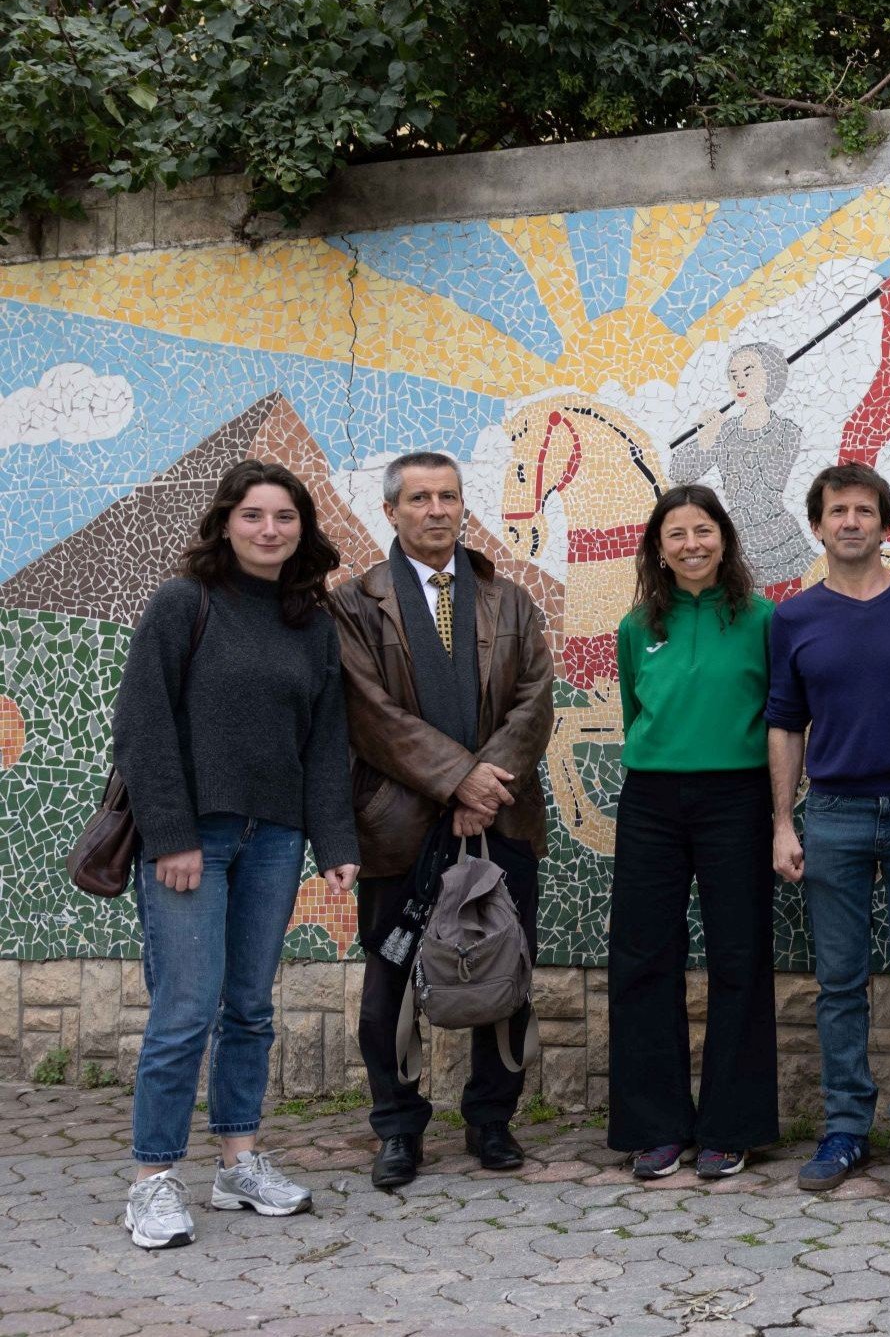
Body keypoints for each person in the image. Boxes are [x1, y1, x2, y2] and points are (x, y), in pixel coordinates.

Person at [110, 460, 361, 1249]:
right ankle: (152, 1180)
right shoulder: (184, 603)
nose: (268, 530)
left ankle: (237, 1163)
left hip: (275, 838)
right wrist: (172, 835)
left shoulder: (309, 621)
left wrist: (336, 844)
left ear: (302, 530)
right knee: (185, 1010)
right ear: (226, 523)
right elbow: (142, 724)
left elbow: (325, 743)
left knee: (250, 1008)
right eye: (253, 516)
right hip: (196, 838)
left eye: (284, 518)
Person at [334, 452, 556, 1192]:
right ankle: (398, 1127)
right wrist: (458, 777)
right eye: (420, 498)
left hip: (504, 816)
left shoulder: (509, 598)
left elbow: (535, 699)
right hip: (400, 823)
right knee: (390, 979)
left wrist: (484, 785)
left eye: (450, 497)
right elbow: (370, 714)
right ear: (391, 512)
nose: (437, 509)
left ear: (464, 507)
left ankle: (492, 1121)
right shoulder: (357, 603)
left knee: (505, 967)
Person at [766, 463, 890, 1193]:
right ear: (818, 525)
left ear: (885, 523)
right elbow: (784, 724)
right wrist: (785, 822)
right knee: (839, 982)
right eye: (837, 511)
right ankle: (846, 1127)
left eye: (864, 511)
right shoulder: (793, 618)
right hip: (835, 815)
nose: (850, 522)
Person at [607, 484, 780, 1181]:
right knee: (644, 958)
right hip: (651, 799)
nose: (691, 545)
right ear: (658, 547)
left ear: (725, 538)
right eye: (675, 534)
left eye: (703, 530)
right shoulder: (635, 625)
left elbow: (780, 719)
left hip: (737, 798)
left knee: (739, 958)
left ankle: (730, 1128)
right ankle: (656, 1127)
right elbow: (633, 710)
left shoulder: (765, 620)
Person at [673, 342, 815, 590]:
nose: (740, 383)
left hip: (777, 533)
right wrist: (706, 441)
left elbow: (769, 484)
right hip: (737, 536)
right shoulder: (725, 431)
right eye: (733, 376)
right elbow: (680, 473)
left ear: (769, 376)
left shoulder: (786, 432)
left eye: (748, 374)